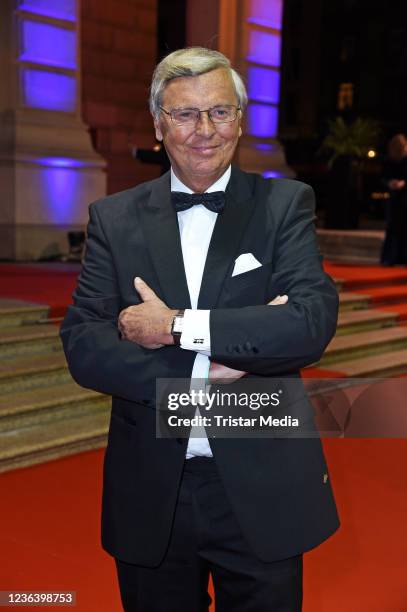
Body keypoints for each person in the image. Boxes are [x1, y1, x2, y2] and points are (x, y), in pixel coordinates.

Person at [61, 47, 340, 611]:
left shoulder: (284, 204)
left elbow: (308, 324)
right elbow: (84, 344)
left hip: (262, 483)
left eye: (219, 111)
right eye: (185, 114)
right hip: (153, 492)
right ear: (159, 125)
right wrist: (207, 368)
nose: (204, 130)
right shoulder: (114, 219)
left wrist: (177, 327)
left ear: (239, 119)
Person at [380, 133, 407, 265]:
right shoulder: (389, 160)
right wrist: (390, 183)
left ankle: (397, 258)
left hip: (403, 197)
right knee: (393, 227)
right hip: (395, 198)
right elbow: (383, 178)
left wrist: (404, 183)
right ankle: (391, 258)